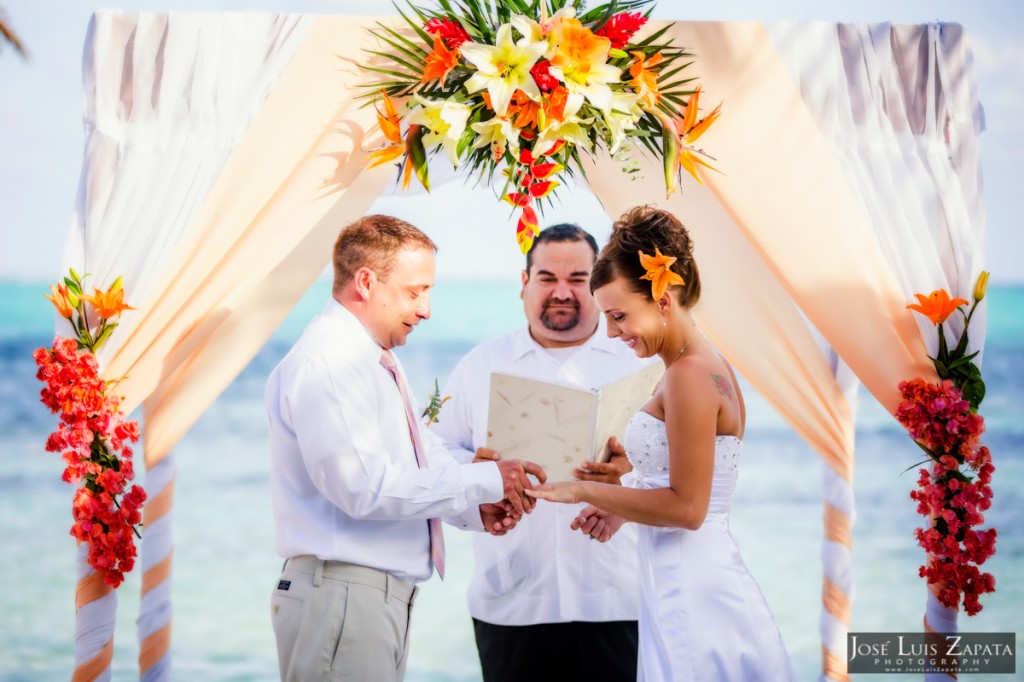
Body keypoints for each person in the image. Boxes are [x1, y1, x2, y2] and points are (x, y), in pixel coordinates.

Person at [265, 214, 545, 682]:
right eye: (415, 291)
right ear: (367, 281)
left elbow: (417, 459)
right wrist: (485, 478)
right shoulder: (330, 363)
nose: (427, 309)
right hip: (343, 595)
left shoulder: (371, 359)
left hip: (365, 598)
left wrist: (477, 505)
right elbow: (364, 488)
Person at [527, 206, 795, 681]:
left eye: (619, 316)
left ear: (663, 299)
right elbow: (681, 486)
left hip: (692, 586)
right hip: (676, 575)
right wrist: (622, 506)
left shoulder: (689, 376)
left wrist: (584, 490)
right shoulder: (692, 366)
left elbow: (689, 509)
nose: (612, 332)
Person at [432, 223, 652, 681]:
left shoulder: (640, 365)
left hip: (617, 600)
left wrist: (628, 476)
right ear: (524, 284)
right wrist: (474, 473)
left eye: (578, 279)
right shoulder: (479, 365)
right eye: (548, 278)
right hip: (511, 604)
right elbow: (432, 454)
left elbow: (685, 477)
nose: (562, 292)